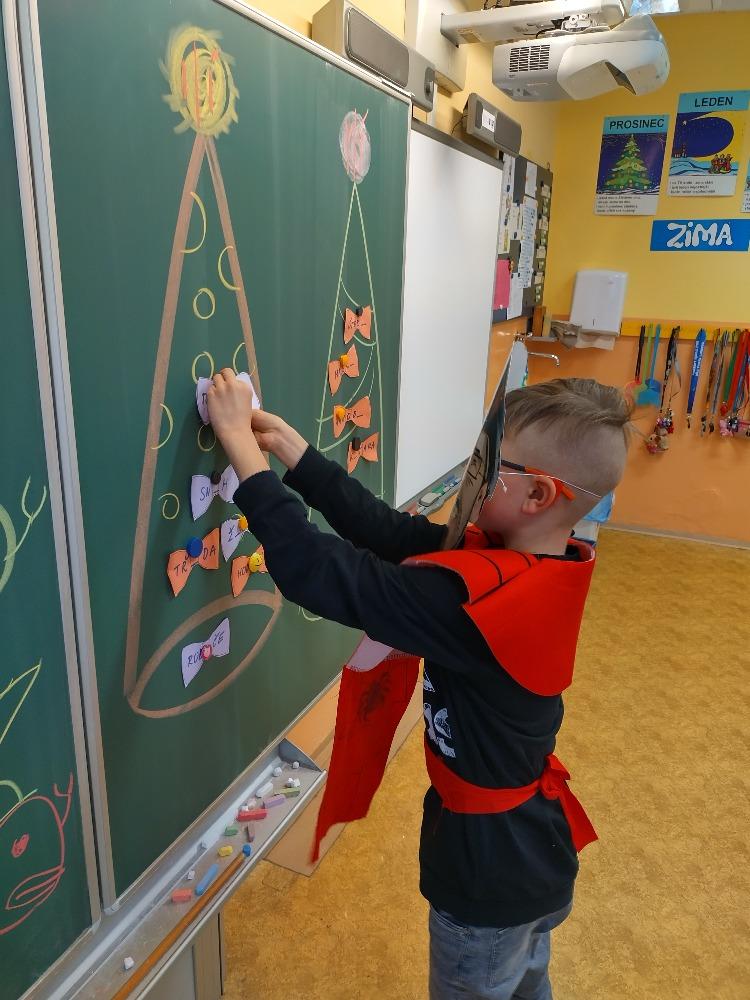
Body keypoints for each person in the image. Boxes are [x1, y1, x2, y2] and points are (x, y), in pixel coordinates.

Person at [206, 371, 631, 1000]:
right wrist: (293, 453)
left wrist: (239, 445)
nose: (470, 473)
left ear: (537, 494)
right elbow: (390, 533)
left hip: (488, 881)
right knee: (525, 981)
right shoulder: (536, 563)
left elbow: (316, 570)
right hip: (534, 856)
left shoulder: (475, 607)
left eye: (487, 464)